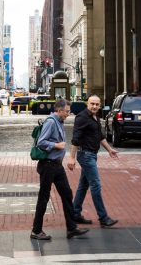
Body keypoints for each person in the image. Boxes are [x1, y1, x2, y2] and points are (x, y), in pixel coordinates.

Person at [31, 98, 89, 241]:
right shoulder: (51, 122)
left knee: (67, 194)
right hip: (48, 166)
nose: (69, 114)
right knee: (44, 198)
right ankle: (36, 231)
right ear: (59, 110)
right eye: (67, 111)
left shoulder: (59, 122)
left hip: (57, 166)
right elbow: (41, 142)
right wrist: (57, 145)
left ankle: (71, 228)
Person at [66, 94, 119, 228]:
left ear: (100, 105)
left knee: (83, 185)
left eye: (97, 104)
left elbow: (100, 136)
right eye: (92, 104)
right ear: (87, 104)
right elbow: (75, 139)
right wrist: (72, 157)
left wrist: (109, 150)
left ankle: (75, 214)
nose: (94, 106)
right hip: (85, 155)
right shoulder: (82, 117)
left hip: (92, 155)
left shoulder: (96, 118)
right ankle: (103, 217)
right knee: (96, 185)